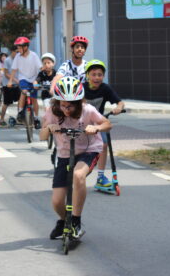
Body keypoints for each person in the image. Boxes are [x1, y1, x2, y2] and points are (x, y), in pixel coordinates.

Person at [40, 76, 111, 239]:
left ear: (79, 102)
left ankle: (76, 221)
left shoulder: (88, 110)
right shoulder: (52, 111)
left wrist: (96, 127)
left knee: (78, 176)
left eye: (71, 106)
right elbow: (42, 136)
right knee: (57, 202)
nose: (66, 109)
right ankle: (65, 221)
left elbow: (107, 124)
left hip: (89, 150)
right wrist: (49, 128)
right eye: (63, 105)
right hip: (64, 154)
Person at [83, 60, 125, 188]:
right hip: (81, 122)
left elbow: (120, 102)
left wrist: (118, 108)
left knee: (104, 144)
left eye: (100, 74)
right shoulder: (81, 88)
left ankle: (100, 176)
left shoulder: (105, 88)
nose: (96, 77)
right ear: (87, 75)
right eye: (93, 74)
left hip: (98, 122)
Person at [7, 37, 42, 128]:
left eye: (19, 47)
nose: (18, 49)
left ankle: (37, 118)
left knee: (34, 99)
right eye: (17, 47)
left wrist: (45, 75)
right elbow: (14, 70)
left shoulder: (34, 55)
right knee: (24, 92)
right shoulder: (18, 57)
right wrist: (10, 81)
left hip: (34, 79)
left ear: (25, 47)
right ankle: (20, 112)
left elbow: (40, 68)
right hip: (23, 79)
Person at [0, 48, 20, 126]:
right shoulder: (7, 60)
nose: (18, 53)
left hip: (17, 84)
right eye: (16, 51)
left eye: (18, 52)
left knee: (21, 100)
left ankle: (19, 118)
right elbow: (6, 73)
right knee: (6, 102)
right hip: (7, 85)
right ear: (12, 51)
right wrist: (15, 80)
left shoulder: (19, 59)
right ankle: (1, 119)